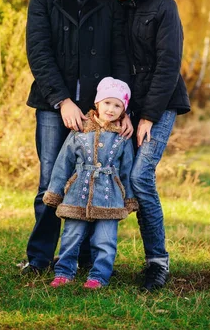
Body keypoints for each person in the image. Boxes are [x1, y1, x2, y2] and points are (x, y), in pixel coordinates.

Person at [21, 0, 131, 276]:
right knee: (50, 182)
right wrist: (62, 100)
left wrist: (124, 107)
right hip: (55, 104)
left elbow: (120, 55)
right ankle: (39, 258)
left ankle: (81, 258)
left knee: (95, 179)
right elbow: (38, 52)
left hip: (100, 109)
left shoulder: (111, 0)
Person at [115, 0, 190, 291]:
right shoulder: (119, 7)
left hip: (161, 102)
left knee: (141, 175)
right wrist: (126, 109)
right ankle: (93, 255)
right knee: (124, 176)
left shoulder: (164, 7)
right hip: (131, 104)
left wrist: (146, 116)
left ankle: (157, 262)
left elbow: (168, 65)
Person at [42, 77, 138, 289]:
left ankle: (99, 276)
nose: (111, 109)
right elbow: (63, 162)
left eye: (117, 105)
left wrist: (129, 198)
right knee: (71, 235)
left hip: (110, 197)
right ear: (97, 103)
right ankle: (64, 272)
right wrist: (55, 192)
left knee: (105, 240)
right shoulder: (81, 129)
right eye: (107, 103)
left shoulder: (122, 136)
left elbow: (127, 169)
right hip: (77, 193)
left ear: (123, 110)